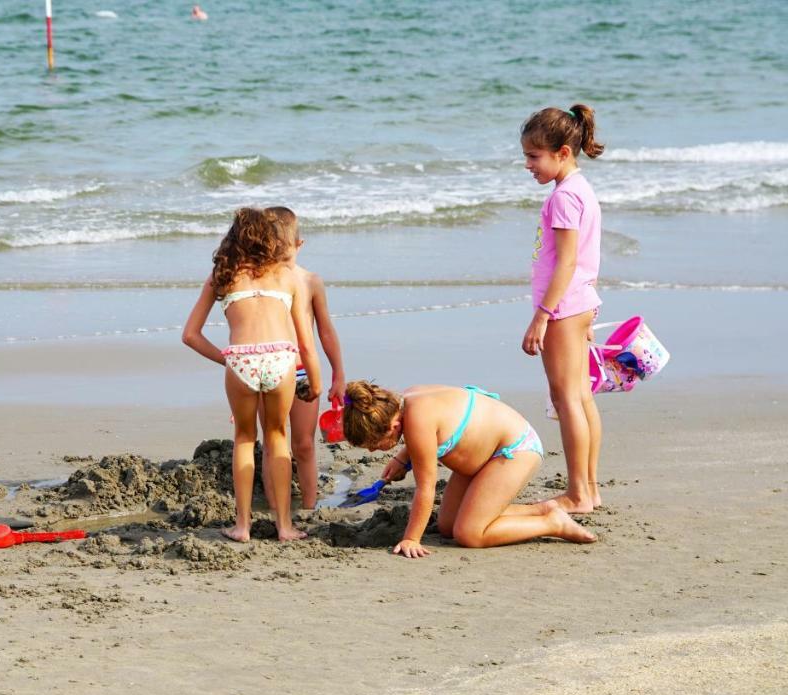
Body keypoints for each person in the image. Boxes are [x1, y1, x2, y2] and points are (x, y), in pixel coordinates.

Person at [183, 208, 322, 542]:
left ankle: (242, 526)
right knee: (278, 437)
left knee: (245, 439)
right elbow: (305, 342)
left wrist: (228, 360)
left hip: (241, 361)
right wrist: (315, 382)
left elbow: (190, 335)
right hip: (281, 358)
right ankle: (285, 526)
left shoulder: (222, 274)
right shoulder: (287, 276)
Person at [342, 380, 596, 558]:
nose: (374, 452)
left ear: (391, 427)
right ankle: (541, 509)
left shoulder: (418, 422)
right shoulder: (406, 402)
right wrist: (401, 459)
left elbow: (426, 489)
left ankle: (553, 523)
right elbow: (430, 432)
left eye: (374, 445)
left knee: (469, 534)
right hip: (480, 461)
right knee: (448, 525)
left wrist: (411, 538)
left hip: (514, 451)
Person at [520, 104, 606, 514]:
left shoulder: (564, 198)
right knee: (581, 397)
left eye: (534, 156)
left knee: (567, 399)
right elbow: (586, 259)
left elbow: (567, 262)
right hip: (579, 303)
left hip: (564, 307)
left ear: (563, 153)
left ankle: (577, 494)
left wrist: (542, 315)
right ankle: (588, 488)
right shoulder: (579, 189)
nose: (528, 165)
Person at [256, 207, 345, 512]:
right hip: (269, 371)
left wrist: (338, 374)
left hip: (305, 371)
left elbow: (326, 331)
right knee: (272, 441)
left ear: (299, 245)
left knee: (304, 444)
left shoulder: (310, 281)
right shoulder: (260, 283)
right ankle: (276, 508)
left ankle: (309, 506)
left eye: (287, 253)